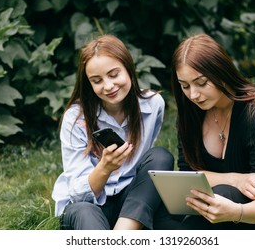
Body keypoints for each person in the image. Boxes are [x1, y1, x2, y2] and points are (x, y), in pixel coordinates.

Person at [170, 33, 255, 230]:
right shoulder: (191, 113)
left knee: (224, 194)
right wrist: (235, 179)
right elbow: (189, 175)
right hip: (213, 211)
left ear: (221, 72)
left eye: (201, 83)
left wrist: (235, 212)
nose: (193, 94)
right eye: (184, 86)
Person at [52, 34, 174, 230]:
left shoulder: (153, 105)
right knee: (85, 212)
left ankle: (123, 231)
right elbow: (77, 195)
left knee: (160, 157)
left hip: (130, 203)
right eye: (97, 80)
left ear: (129, 68)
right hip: (88, 205)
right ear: (89, 84)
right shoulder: (76, 118)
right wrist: (104, 168)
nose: (108, 86)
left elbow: (144, 170)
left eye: (114, 74)